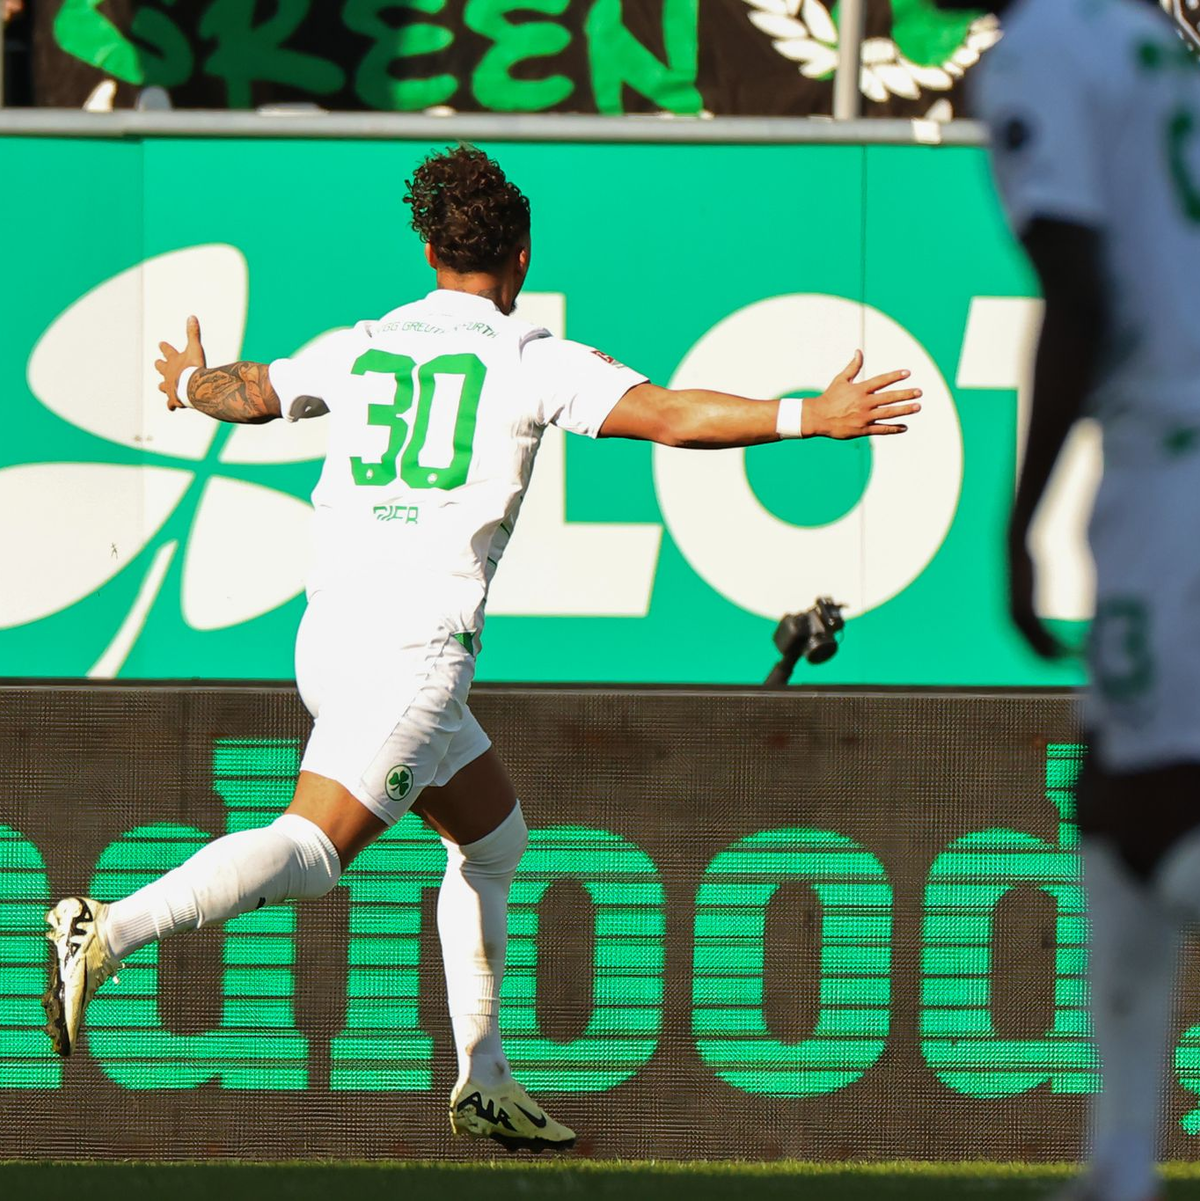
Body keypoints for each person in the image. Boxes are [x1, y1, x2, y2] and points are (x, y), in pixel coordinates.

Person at [41, 145, 922, 1151]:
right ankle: (105, 931)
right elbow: (673, 418)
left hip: (329, 634)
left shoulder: (361, 344)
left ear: (427, 248)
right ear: (522, 257)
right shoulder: (527, 357)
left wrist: (193, 382)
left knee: (494, 839)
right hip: (416, 646)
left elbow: (250, 389)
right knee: (315, 849)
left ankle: (485, 1076)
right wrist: (812, 415)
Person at [962, 0, 1200, 1197]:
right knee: (1121, 803)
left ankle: (1117, 1165)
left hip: (1174, 468)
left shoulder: (1042, 50)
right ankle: (1117, 1165)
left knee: (1142, 806)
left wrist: (1020, 516)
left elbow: (1082, 281)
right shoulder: (1150, 36)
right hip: (1168, 455)